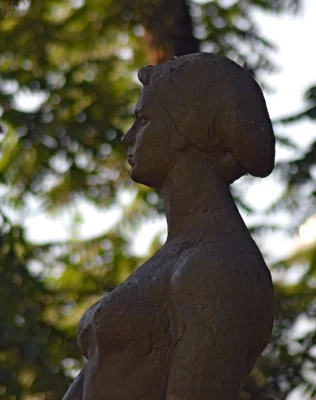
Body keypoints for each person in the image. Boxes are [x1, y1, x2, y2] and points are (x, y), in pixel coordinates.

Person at [63, 52, 275, 400]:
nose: (128, 136)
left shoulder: (216, 267)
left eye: (144, 119)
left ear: (185, 129)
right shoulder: (177, 258)